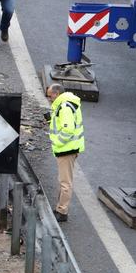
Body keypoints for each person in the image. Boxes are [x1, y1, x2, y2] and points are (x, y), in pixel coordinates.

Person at [45, 83, 84, 222]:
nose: (49, 99)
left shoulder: (65, 107)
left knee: (65, 182)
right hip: (69, 148)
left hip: (66, 149)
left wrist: (57, 142)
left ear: (56, 94)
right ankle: (59, 208)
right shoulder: (65, 104)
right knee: (63, 180)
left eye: (50, 96)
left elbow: (67, 130)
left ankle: (62, 212)